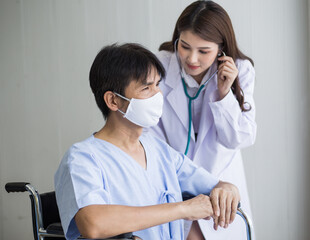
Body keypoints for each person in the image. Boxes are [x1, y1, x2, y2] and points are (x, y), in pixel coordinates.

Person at [54, 43, 240, 240]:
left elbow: (215, 185)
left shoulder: (157, 148)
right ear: (113, 101)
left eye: (157, 84)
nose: (158, 95)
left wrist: (228, 190)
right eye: (146, 88)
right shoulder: (82, 158)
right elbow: (93, 224)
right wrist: (183, 209)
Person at [148, 1, 257, 239]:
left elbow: (239, 138)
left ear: (221, 49)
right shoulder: (160, 66)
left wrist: (224, 95)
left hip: (223, 188)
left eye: (204, 51)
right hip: (175, 186)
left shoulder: (241, 70)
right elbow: (151, 137)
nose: (192, 59)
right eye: (185, 46)